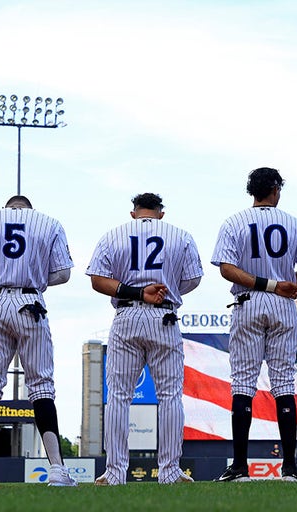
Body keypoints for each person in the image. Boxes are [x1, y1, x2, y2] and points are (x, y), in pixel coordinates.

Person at [0, 195, 76, 488]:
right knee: (42, 386)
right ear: (28, 209)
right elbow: (64, 273)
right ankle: (57, 470)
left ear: (7, 207)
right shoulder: (49, 223)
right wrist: (33, 272)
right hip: (31, 301)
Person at [87, 193, 203, 485]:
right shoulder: (180, 235)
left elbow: (97, 280)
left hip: (126, 315)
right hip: (163, 316)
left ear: (133, 213)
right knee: (170, 396)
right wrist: (166, 290)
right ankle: (169, 471)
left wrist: (136, 291)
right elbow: (192, 279)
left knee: (118, 397)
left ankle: (114, 473)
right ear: (161, 213)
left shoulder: (114, 235)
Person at [211, 167, 297, 483]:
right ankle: (290, 470)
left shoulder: (234, 222)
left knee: (243, 383)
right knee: (284, 383)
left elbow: (227, 269)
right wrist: (282, 283)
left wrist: (270, 284)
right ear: (275, 189)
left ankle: (240, 467)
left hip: (249, 301)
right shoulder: (294, 223)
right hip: (283, 305)